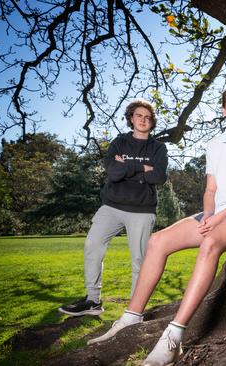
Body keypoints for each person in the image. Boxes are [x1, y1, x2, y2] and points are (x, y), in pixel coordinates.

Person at [87, 85, 226, 366]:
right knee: (158, 241)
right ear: (224, 110)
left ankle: (173, 337)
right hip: (219, 211)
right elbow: (211, 189)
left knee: (210, 243)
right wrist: (209, 213)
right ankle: (131, 316)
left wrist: (218, 219)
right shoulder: (214, 144)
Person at [59, 99, 168, 317]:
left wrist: (126, 166)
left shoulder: (158, 147)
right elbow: (113, 172)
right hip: (112, 206)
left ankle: (134, 310)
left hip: (142, 209)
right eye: (139, 116)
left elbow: (158, 176)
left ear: (151, 121)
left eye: (148, 117)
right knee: (92, 244)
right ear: (131, 118)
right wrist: (141, 167)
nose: (143, 120)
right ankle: (93, 301)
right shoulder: (119, 143)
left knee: (139, 259)